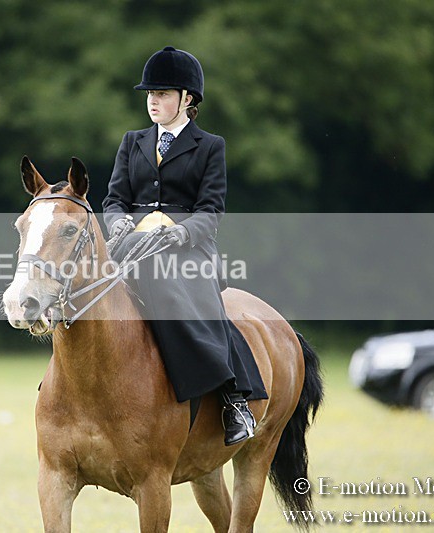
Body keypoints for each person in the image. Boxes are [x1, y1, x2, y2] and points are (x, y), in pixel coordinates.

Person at [102, 46, 266, 446]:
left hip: (186, 247)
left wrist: (181, 232)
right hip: (132, 242)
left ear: (187, 98)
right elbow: (114, 199)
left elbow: (211, 210)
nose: (152, 101)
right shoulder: (132, 141)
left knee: (168, 286)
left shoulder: (210, 146)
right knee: (80, 284)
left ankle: (232, 396)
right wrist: (118, 221)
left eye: (162, 94)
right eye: (150, 94)